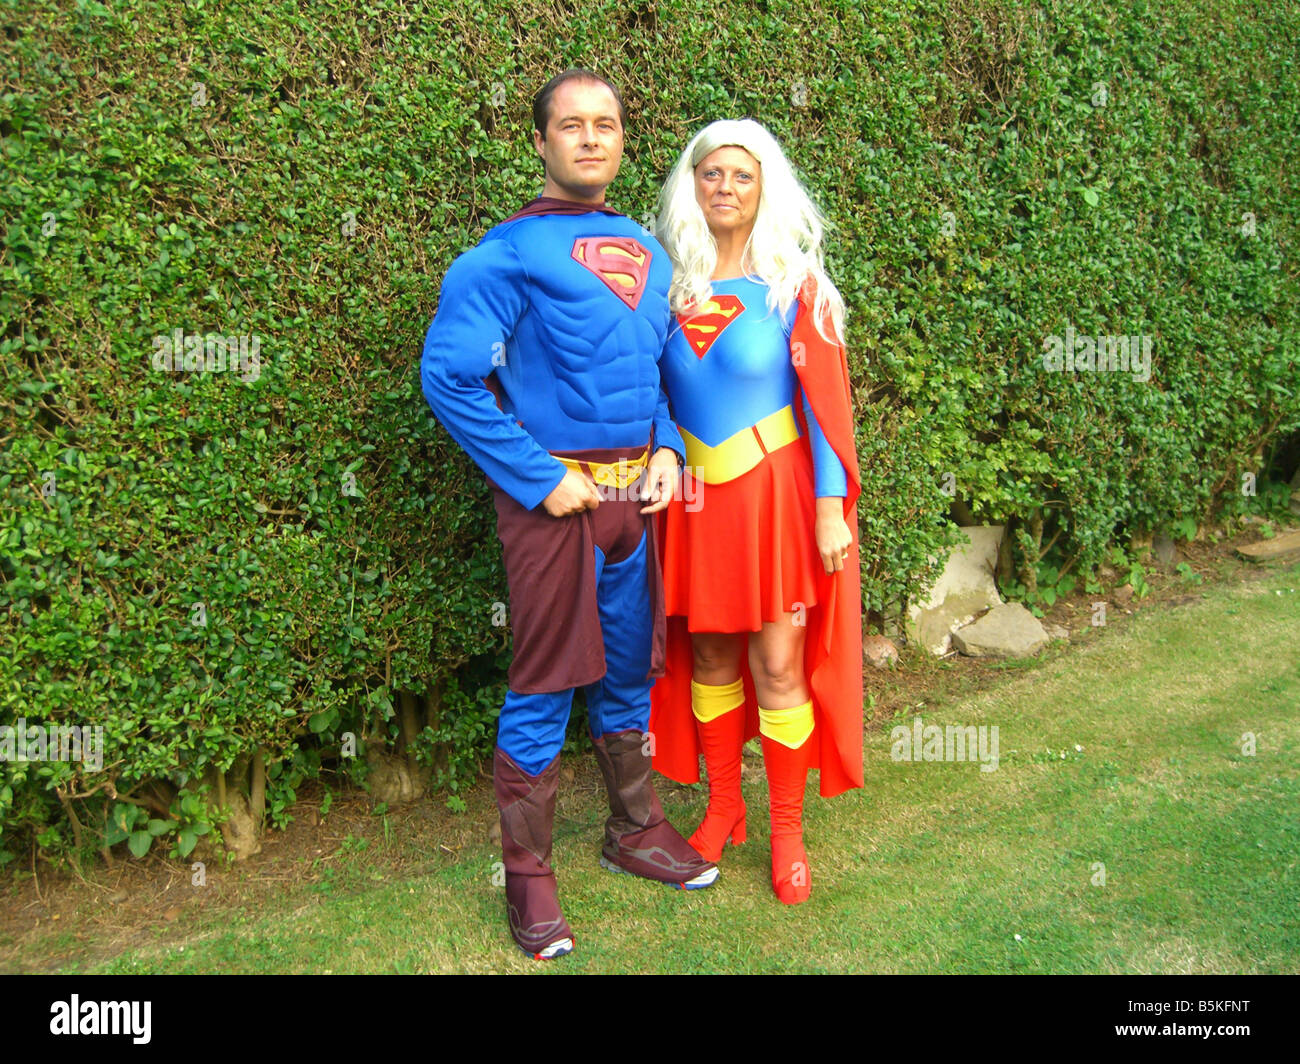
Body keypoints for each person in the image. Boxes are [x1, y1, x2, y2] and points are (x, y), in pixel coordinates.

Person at [419, 70, 717, 962]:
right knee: (546, 679)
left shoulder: (647, 250)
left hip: (635, 502)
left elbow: (658, 372)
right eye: (572, 126)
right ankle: (530, 882)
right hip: (557, 505)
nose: (592, 139)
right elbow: (449, 376)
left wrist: (667, 447)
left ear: (624, 140)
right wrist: (534, 474)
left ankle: (633, 829)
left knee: (628, 670)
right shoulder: (501, 257)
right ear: (542, 143)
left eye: (608, 125)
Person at [649, 118, 863, 905]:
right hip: (698, 502)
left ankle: (786, 833)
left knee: (777, 664)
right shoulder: (671, 288)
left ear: (764, 185)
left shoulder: (794, 286)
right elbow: (651, 395)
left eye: (741, 175)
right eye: (711, 174)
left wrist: (830, 507)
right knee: (708, 659)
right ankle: (722, 808)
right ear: (691, 185)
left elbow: (828, 408)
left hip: (776, 498)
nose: (725, 188)